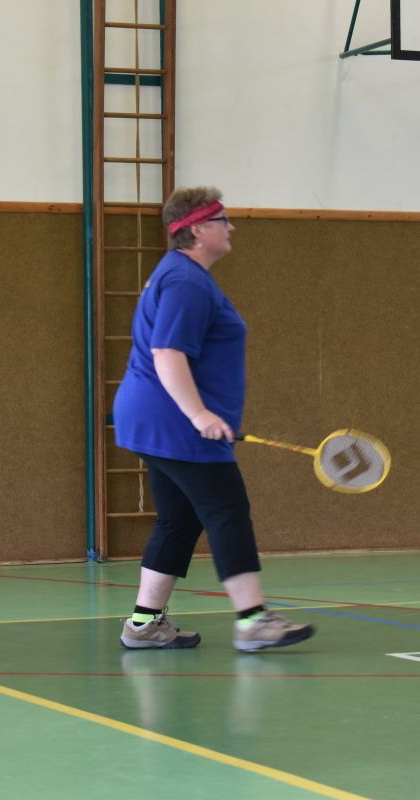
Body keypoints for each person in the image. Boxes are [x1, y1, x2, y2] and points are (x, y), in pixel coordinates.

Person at [113, 186, 315, 652]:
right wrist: (199, 414)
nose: (231, 227)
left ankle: (144, 624)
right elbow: (168, 353)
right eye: (223, 220)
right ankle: (253, 620)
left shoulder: (178, 274)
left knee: (179, 519)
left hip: (154, 420)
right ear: (199, 230)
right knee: (227, 511)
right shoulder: (187, 282)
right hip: (176, 424)